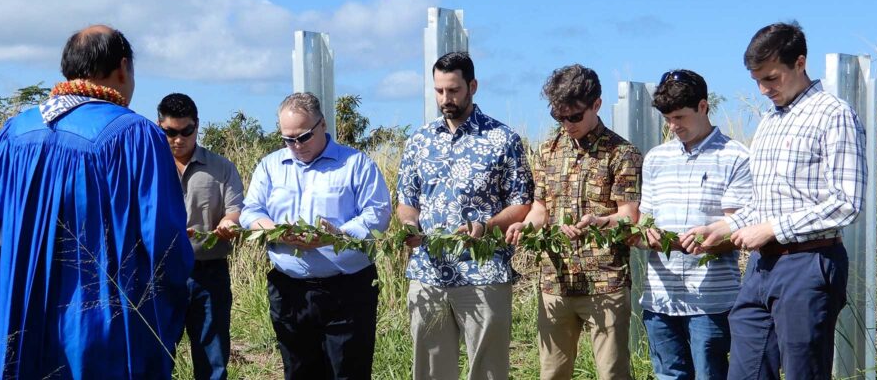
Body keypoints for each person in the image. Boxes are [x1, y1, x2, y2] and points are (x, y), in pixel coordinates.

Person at [0, 25, 192, 379]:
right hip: (106, 334)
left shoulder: (14, 133)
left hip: (20, 328)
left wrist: (9, 304)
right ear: (122, 68)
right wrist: (160, 324)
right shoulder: (136, 136)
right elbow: (165, 245)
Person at [683, 22, 866, 379]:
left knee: (803, 372)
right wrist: (724, 226)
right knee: (745, 370)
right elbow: (765, 202)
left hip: (809, 262)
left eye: (771, 78)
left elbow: (847, 202)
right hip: (761, 268)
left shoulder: (833, 114)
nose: (764, 89)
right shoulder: (769, 121)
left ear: (800, 63)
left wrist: (772, 228)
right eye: (757, 81)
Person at [397, 51, 533, 380]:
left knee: (488, 371)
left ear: (473, 86)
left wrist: (486, 226)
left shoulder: (503, 139)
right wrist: (408, 225)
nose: (446, 98)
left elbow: (523, 203)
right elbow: (407, 200)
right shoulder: (419, 140)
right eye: (440, 90)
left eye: (454, 90)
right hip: (428, 274)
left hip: (484, 274)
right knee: (430, 371)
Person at [240, 92, 391, 379]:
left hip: (347, 291)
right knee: (298, 372)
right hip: (290, 291)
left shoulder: (356, 164)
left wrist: (338, 235)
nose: (296, 146)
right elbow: (250, 212)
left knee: (348, 372)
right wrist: (274, 231)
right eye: (288, 139)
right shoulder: (270, 166)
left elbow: (378, 214)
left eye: (304, 137)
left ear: (322, 125)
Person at [505, 64, 641, 380]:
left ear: (597, 105)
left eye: (574, 116)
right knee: (552, 373)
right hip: (555, 282)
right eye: (559, 117)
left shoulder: (622, 153)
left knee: (612, 373)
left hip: (605, 283)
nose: (567, 124)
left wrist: (599, 221)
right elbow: (540, 209)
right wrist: (525, 227)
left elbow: (629, 216)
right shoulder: (547, 151)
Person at [635, 69, 752, 379]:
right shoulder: (656, 159)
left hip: (711, 302)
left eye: (680, 117)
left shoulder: (736, 156)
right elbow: (644, 220)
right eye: (667, 119)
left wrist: (709, 241)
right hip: (660, 298)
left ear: (703, 106)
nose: (673, 126)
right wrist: (645, 234)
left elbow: (739, 229)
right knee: (668, 375)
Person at [158, 93, 244, 379]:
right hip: (160, 274)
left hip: (209, 274)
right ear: (160, 126)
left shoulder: (222, 168)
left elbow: (236, 211)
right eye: (170, 132)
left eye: (186, 131)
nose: (178, 139)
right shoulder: (149, 169)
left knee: (212, 357)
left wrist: (228, 224)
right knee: (156, 354)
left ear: (197, 126)